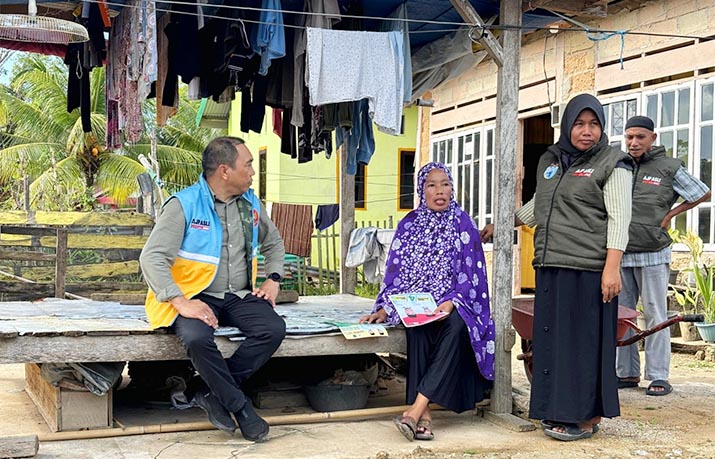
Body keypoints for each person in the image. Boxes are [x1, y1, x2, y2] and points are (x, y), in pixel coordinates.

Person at [481, 94, 633, 441]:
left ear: (602, 128)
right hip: (551, 265)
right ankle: (559, 410)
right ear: (567, 126)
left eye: (594, 124)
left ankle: (581, 417)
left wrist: (612, 268)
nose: (587, 131)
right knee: (555, 344)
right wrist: (504, 224)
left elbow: (620, 218)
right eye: (579, 124)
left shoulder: (613, 162)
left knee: (583, 345)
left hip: (588, 269)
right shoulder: (554, 160)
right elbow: (541, 205)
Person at [139, 136, 287, 442]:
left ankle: (206, 391)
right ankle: (240, 407)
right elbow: (151, 257)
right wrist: (180, 301)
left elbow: (274, 243)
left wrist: (273, 279)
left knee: (272, 328)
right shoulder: (184, 205)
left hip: (237, 295)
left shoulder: (251, 205)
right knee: (196, 337)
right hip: (193, 295)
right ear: (224, 171)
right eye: (247, 165)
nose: (252, 172)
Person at [360, 162, 495, 442]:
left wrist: (452, 301)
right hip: (417, 303)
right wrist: (386, 306)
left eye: (445, 183)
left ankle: (416, 409)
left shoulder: (463, 223)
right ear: (422, 189)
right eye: (431, 185)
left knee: (457, 327)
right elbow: (395, 272)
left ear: (452, 187)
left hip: (456, 303)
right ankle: (425, 416)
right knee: (418, 328)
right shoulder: (409, 225)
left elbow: (472, 275)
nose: (439, 191)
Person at [616, 115, 710, 396]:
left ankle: (658, 376)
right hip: (621, 252)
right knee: (623, 315)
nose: (634, 142)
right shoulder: (619, 164)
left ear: (653, 138)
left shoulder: (668, 167)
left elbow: (701, 193)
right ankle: (627, 373)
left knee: (655, 313)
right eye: (629, 137)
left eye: (640, 137)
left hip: (654, 252)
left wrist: (671, 214)